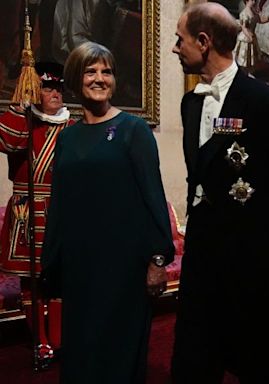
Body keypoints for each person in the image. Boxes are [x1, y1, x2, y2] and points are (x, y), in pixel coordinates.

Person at [171, 3, 269, 383]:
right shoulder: (191, 103)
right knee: (199, 358)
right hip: (203, 253)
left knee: (259, 361)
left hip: (254, 254)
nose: (174, 48)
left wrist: (257, 223)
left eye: (179, 39)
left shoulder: (265, 102)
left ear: (204, 41)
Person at [40, 41, 174, 383]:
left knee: (118, 354)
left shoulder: (134, 131)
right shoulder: (67, 138)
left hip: (123, 269)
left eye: (107, 72)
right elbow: (61, 203)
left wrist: (158, 259)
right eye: (91, 71)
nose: (100, 79)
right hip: (79, 268)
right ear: (75, 78)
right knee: (81, 352)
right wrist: (51, 262)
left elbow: (153, 198)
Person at [0, 61, 73, 366]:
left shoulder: (73, 127)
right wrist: (20, 107)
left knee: (60, 277)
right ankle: (39, 340)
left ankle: (58, 339)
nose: (54, 93)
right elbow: (7, 142)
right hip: (28, 211)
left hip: (61, 210)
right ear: (36, 89)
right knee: (31, 281)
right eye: (47, 87)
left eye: (58, 87)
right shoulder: (24, 122)